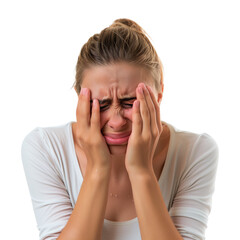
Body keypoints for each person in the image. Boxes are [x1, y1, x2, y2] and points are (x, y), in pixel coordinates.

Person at [21, 18, 218, 240]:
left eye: (130, 102)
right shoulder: (45, 148)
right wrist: (97, 169)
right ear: (80, 99)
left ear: (159, 94)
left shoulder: (196, 150)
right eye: (101, 104)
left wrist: (141, 170)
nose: (116, 122)